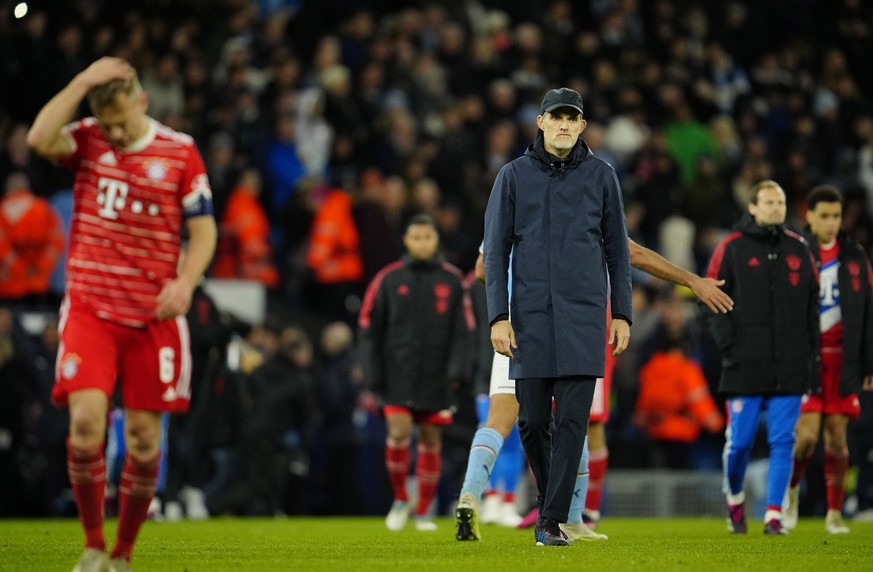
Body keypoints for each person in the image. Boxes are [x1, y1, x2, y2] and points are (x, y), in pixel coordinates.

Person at [26, 56, 217, 572]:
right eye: (105, 121)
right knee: (86, 423)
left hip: (153, 316)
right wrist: (83, 81)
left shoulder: (180, 152)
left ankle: (123, 553)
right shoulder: (88, 140)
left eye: (121, 120)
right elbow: (40, 138)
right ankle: (91, 545)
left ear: (143, 102)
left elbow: (204, 231)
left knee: (143, 438)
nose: (113, 130)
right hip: (91, 307)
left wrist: (185, 283)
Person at [455, 238, 733, 541]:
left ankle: (469, 494)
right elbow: (635, 253)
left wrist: (514, 290)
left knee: (497, 421)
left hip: (515, 327)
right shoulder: (584, 207)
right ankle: (574, 518)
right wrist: (691, 280)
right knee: (575, 423)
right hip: (570, 328)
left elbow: (482, 269)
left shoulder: (510, 204)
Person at [482, 87, 633, 547]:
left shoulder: (603, 176)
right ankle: (558, 508)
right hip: (528, 317)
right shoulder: (512, 177)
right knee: (530, 421)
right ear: (542, 123)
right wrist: (498, 317)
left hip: (584, 317)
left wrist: (621, 313)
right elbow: (496, 253)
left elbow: (618, 252)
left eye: (573, 118)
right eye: (557, 117)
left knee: (571, 422)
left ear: (583, 126)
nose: (565, 125)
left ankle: (549, 523)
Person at [705, 180, 818, 535]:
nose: (775, 207)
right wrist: (729, 347)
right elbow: (710, 298)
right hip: (744, 363)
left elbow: (813, 307)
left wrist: (808, 354)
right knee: (739, 443)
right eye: (768, 202)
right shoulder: (732, 246)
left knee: (784, 439)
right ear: (752, 207)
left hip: (790, 363)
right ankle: (735, 499)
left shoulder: (799, 248)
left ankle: (773, 514)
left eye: (780, 202)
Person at [358, 213, 472, 532]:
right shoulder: (389, 279)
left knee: (431, 441)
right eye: (417, 237)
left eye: (428, 237)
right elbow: (368, 327)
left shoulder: (451, 280)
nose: (423, 243)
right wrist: (371, 371)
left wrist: (456, 372)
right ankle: (399, 500)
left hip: (437, 377)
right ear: (406, 241)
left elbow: (464, 331)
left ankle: (422, 511)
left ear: (436, 240)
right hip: (396, 374)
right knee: (397, 434)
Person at [784, 185, 873, 534]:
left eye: (836, 216)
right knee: (805, 437)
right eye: (824, 215)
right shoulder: (796, 254)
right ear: (810, 216)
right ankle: (790, 493)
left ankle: (834, 514)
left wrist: (869, 365)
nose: (831, 222)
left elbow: (867, 314)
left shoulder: (855, 257)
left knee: (838, 437)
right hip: (807, 361)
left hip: (843, 362)